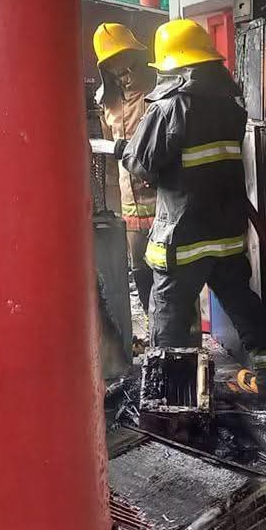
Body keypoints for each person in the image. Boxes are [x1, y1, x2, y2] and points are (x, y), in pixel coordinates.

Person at [118, 19, 266, 368]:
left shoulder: (168, 107)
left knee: (169, 322)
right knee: (243, 305)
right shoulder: (231, 105)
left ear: (172, 65)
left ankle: (170, 391)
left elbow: (142, 162)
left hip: (183, 238)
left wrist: (124, 150)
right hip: (227, 235)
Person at [93, 23, 158, 313]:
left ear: (137, 54)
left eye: (126, 61)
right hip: (130, 205)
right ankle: (155, 331)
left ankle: (183, 337)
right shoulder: (106, 101)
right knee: (141, 272)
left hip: (162, 200)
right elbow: (110, 157)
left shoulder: (157, 91)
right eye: (113, 65)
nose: (122, 71)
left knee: (171, 275)